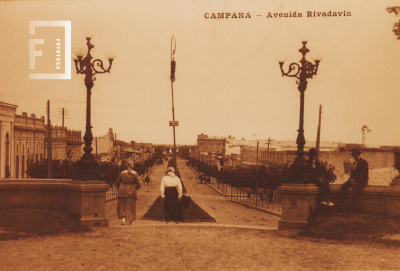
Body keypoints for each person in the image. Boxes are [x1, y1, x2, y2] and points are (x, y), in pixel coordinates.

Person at [340, 149, 369, 214]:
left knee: (355, 192)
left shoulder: (364, 162)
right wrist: (351, 179)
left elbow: (364, 174)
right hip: (354, 180)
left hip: (361, 180)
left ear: (358, 155)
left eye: (355, 155)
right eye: (353, 155)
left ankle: (353, 209)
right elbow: (353, 173)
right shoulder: (354, 163)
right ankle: (344, 206)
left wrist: (356, 181)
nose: (354, 157)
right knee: (343, 187)